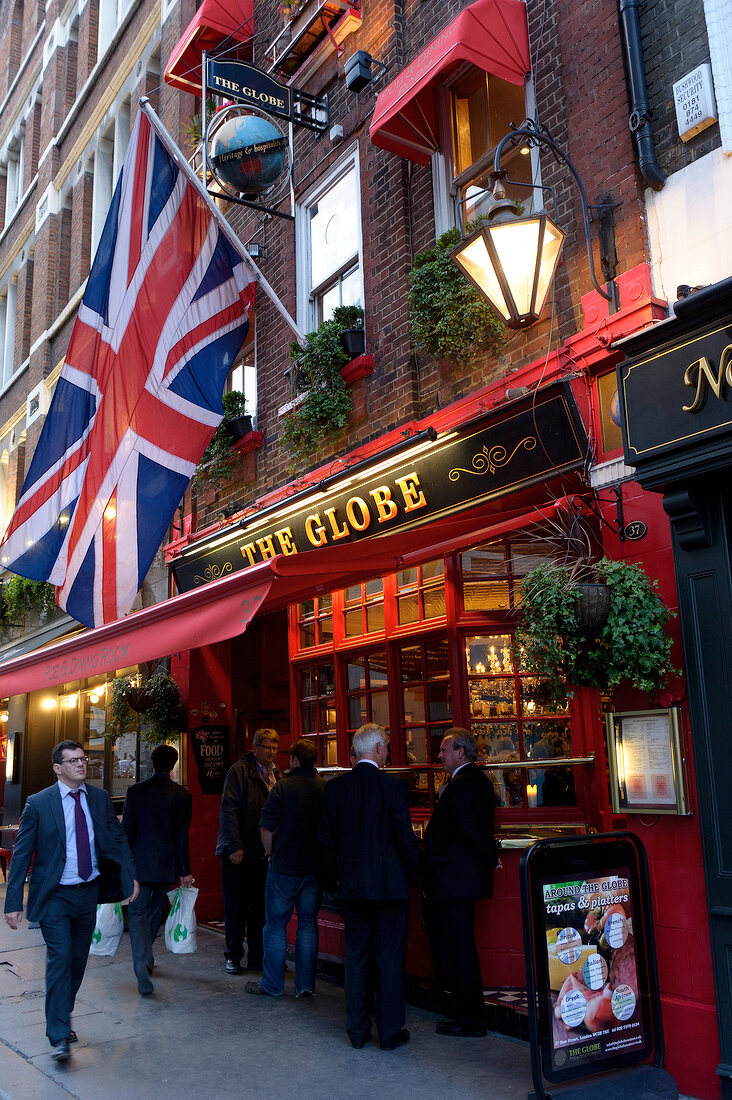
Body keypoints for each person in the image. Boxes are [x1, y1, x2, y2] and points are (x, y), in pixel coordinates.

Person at [3, 741, 139, 1062]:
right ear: (57, 768)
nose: (81, 764)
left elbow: (115, 839)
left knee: (77, 960)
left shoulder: (100, 799)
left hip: (88, 893)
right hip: (54, 896)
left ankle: (62, 1013)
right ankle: (59, 1034)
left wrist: (129, 875)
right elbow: (22, 853)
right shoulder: (38, 803)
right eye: (73, 760)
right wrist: (12, 902)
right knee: (61, 956)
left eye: (83, 759)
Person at [319, 723, 419, 1051]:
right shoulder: (393, 787)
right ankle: (390, 1032)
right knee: (389, 959)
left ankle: (356, 1030)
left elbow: (326, 840)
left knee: (357, 957)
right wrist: (414, 872)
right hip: (390, 887)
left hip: (353, 887)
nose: (388, 751)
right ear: (376, 749)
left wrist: (337, 877)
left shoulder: (335, 789)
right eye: (386, 747)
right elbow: (404, 838)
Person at [423, 728, 498, 1038]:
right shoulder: (477, 781)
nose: (439, 756)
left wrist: (488, 855)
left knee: (459, 950)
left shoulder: (460, 785)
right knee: (460, 948)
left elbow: (465, 828)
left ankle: (470, 1019)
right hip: (463, 878)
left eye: (444, 750)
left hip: (454, 879)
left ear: (461, 753)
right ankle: (469, 1015)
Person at [245, 737, 326, 999]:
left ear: (293, 760)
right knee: (307, 925)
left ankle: (272, 985)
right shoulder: (325, 789)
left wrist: (269, 853)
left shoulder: (281, 788)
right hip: (313, 869)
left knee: (276, 926)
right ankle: (305, 985)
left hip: (283, 868)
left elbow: (266, 827)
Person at [121, 744, 193, 995]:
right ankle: (146, 957)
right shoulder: (182, 795)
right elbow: (182, 836)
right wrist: (185, 869)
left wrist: (123, 864)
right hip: (165, 863)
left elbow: (126, 832)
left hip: (138, 864)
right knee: (155, 912)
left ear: (152, 763)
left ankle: (141, 960)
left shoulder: (135, 791)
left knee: (137, 912)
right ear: (173, 766)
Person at [215, 728, 282, 973]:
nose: (271, 752)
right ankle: (233, 956)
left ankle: (257, 957)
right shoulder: (239, 772)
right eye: (266, 747)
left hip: (262, 853)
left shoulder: (276, 773)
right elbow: (228, 811)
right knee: (236, 908)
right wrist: (235, 846)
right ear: (255, 748)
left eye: (274, 747)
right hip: (238, 852)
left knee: (259, 908)